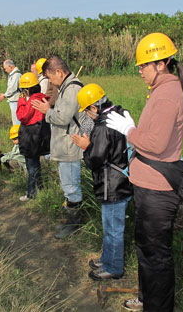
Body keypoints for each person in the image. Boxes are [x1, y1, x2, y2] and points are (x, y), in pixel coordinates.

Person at [106, 33, 183, 311]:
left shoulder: (167, 94)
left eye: (144, 66)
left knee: (156, 256)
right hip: (148, 187)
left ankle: (158, 306)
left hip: (157, 191)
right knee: (146, 249)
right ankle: (147, 299)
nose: (140, 71)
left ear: (161, 64)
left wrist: (128, 131)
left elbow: (156, 143)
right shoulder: (161, 90)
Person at [71, 83, 133, 281]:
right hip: (121, 181)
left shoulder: (103, 128)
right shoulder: (118, 115)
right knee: (110, 227)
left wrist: (86, 147)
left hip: (112, 185)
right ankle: (107, 259)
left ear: (94, 108)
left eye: (87, 111)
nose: (87, 116)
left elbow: (95, 160)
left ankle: (113, 268)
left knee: (113, 229)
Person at [31, 55, 85, 239]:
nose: (51, 82)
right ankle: (71, 220)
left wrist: (47, 111)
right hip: (64, 145)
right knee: (67, 184)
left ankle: (75, 223)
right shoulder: (66, 87)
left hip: (70, 146)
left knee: (71, 186)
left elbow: (63, 118)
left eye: (51, 78)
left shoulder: (72, 89)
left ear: (59, 72)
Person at [16, 72, 51, 201]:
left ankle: (31, 194)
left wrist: (21, 100)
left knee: (31, 167)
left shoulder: (32, 100)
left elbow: (22, 116)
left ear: (26, 89)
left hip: (31, 137)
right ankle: (41, 189)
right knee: (36, 165)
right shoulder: (41, 97)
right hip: (39, 136)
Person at [0, 59, 22, 125]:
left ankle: (18, 134)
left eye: (5, 68)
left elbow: (13, 88)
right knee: (15, 120)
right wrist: (4, 94)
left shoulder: (16, 75)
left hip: (16, 100)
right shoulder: (13, 74)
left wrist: (4, 96)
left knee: (17, 121)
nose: (5, 70)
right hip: (13, 100)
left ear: (10, 66)